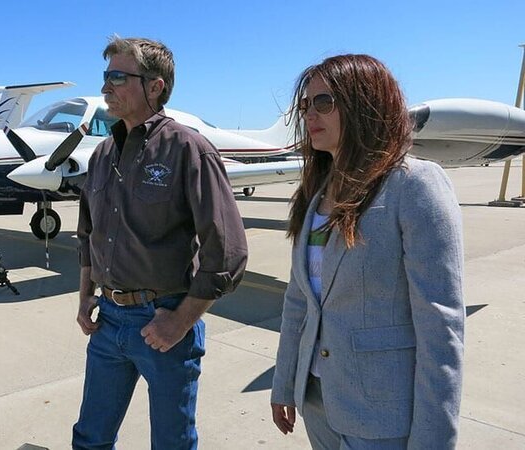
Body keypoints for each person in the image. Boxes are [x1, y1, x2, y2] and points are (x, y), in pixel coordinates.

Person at [270, 54, 464, 449]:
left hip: (382, 415)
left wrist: (434, 440)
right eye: (306, 104)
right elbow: (299, 300)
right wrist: (285, 382)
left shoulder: (414, 185)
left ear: (365, 104)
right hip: (319, 401)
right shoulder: (316, 194)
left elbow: (440, 326)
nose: (310, 114)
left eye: (324, 102)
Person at [73, 36, 248, 450]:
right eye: (105, 76)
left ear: (156, 86)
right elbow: (88, 233)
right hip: (108, 320)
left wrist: (181, 320)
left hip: (163, 322)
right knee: (90, 438)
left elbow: (228, 252)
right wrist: (85, 296)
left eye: (118, 77)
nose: (105, 88)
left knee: (172, 443)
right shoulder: (101, 155)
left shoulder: (189, 150)